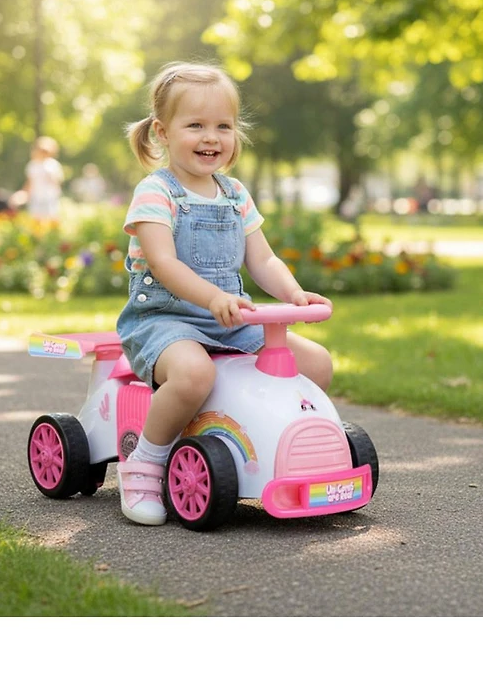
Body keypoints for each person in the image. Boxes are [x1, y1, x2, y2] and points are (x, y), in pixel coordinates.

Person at [115, 61, 334, 526]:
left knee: (315, 363)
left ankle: (275, 446)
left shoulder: (234, 194)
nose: (211, 138)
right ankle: (146, 461)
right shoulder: (156, 192)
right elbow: (164, 263)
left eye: (223, 126)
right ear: (162, 132)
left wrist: (295, 294)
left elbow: (263, 260)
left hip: (231, 322)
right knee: (194, 374)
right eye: (195, 125)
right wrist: (212, 298)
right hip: (165, 321)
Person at [9, 135, 64, 219]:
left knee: (50, 220)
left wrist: (51, 177)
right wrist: (23, 195)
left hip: (49, 199)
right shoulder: (32, 165)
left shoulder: (53, 165)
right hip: (36, 198)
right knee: (35, 220)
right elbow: (29, 184)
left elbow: (58, 183)